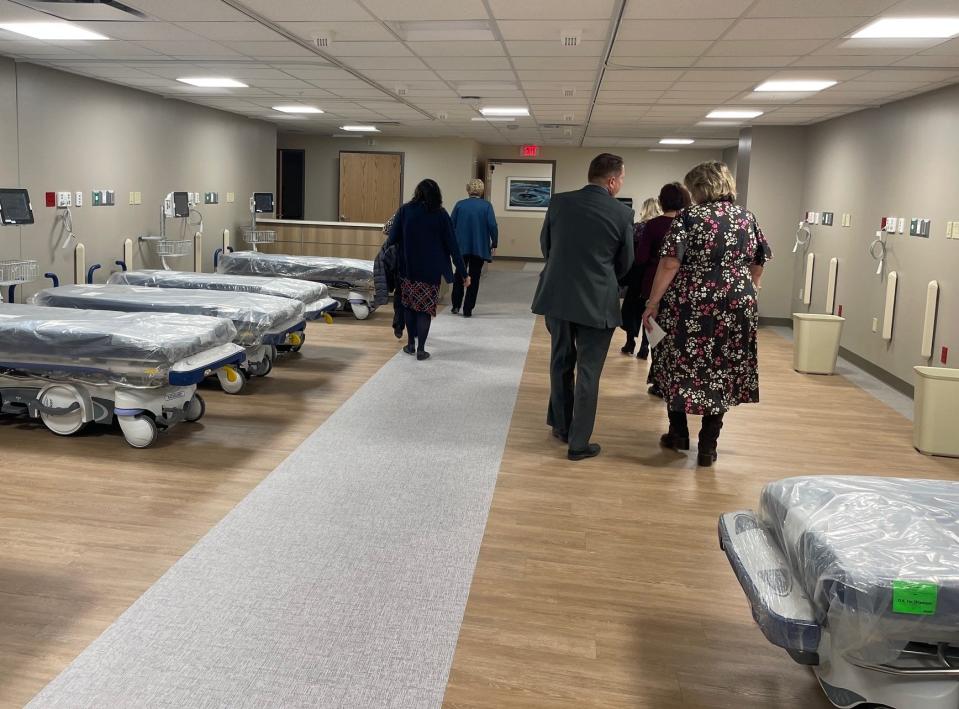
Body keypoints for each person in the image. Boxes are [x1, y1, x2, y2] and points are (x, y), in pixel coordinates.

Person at [642, 161, 771, 467]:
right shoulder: (746, 217)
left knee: (675, 361)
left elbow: (671, 263)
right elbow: (759, 259)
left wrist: (653, 301)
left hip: (691, 302)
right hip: (736, 302)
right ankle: (708, 446)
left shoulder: (689, 216)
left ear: (699, 188)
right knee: (722, 367)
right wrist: (750, 287)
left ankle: (679, 433)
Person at [531, 153, 634, 461]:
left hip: (558, 297)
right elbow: (626, 263)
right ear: (613, 181)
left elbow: (546, 246)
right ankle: (578, 443)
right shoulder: (621, 213)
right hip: (597, 303)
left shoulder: (559, 203)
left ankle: (561, 427)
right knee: (588, 371)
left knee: (560, 362)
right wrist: (603, 277)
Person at [388, 179, 469, 360]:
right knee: (424, 310)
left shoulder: (405, 211)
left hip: (407, 269)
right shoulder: (440, 215)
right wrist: (463, 273)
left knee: (409, 307)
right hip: (431, 272)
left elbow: (391, 238)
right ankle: (421, 350)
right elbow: (453, 246)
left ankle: (410, 345)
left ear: (417, 192)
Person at [635, 183, 692, 365]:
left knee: (651, 318)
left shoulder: (652, 225)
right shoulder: (689, 223)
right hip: (681, 283)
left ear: (661, 201)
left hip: (654, 278)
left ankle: (647, 347)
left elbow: (641, 258)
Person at [619, 197, 662, 355]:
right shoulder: (662, 227)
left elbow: (630, 253)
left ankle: (630, 342)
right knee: (650, 309)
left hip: (637, 274)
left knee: (632, 308)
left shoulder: (637, 227)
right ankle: (645, 345)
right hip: (655, 275)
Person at [450, 178, 498, 317]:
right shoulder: (486, 206)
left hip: (460, 247)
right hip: (479, 247)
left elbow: (451, 225)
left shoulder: (460, 205)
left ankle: (455, 305)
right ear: (482, 191)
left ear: (468, 190)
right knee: (475, 277)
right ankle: (468, 309)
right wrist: (494, 242)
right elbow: (493, 226)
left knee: (459, 275)